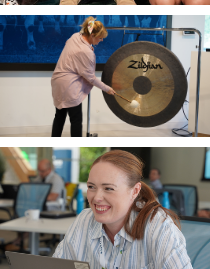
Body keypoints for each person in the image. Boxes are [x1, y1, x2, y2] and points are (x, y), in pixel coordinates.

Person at [54, 150, 192, 269]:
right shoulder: (84, 219)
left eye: (108, 188)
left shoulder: (158, 227)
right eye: (91, 187)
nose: (96, 198)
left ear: (135, 191)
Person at [50, 17, 114, 137]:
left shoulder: (76, 36)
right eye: (100, 38)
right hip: (69, 86)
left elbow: (67, 43)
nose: (101, 41)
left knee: (59, 116)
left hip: (57, 81)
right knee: (76, 120)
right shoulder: (86, 52)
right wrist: (107, 89)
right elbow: (91, 78)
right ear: (92, 35)